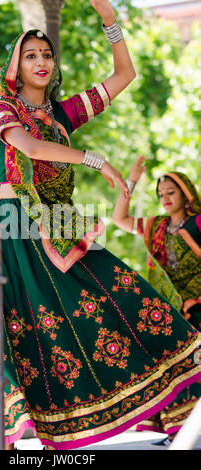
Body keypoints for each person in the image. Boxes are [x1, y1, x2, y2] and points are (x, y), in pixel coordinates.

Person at [0, 0, 201, 450]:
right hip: (14, 228)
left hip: (60, 225)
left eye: (47, 55)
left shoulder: (63, 114)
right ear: (15, 66)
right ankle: (1, 429)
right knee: (23, 327)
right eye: (31, 55)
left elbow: (124, 77)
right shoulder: (1, 111)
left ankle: (141, 404)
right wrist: (95, 160)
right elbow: (27, 147)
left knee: (114, 294)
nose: (42, 62)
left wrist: (111, 21)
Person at [112, 155, 201, 444]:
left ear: (186, 194)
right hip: (172, 309)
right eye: (161, 194)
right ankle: (177, 429)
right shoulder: (157, 227)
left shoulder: (198, 222)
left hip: (198, 304)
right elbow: (119, 219)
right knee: (168, 365)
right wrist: (131, 182)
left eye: (171, 192)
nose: (165, 198)